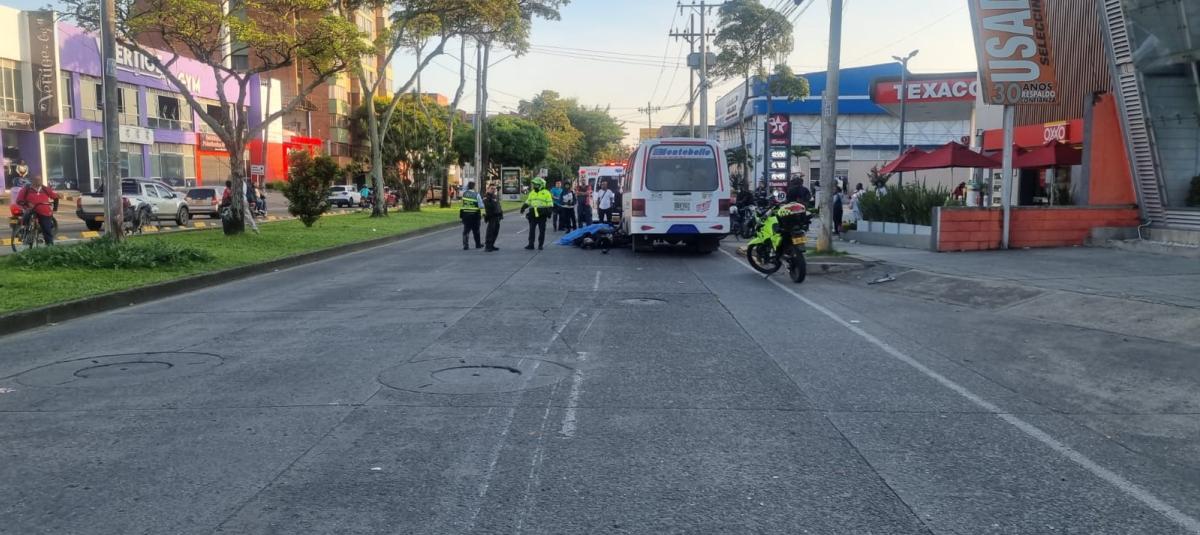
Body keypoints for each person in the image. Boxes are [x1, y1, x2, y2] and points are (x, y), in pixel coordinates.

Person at [15, 176, 58, 245]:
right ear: (32, 181)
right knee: (26, 218)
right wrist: (27, 203)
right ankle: (23, 232)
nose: (38, 181)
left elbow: (55, 197)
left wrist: (55, 209)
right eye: (36, 180)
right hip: (31, 210)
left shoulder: (45, 189)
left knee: (47, 230)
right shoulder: (26, 189)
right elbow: (19, 200)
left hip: (44, 212)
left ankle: (50, 246)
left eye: (40, 180)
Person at [522, 177, 554, 250]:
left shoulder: (546, 193)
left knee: (542, 230)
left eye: (536, 184)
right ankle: (531, 244)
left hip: (542, 214)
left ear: (541, 185)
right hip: (533, 214)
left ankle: (540, 245)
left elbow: (550, 203)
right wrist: (523, 207)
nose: (535, 186)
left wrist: (549, 212)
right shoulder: (532, 192)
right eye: (534, 185)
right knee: (531, 230)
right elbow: (528, 201)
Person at [459, 181, 483, 250]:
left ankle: (465, 245)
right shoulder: (476, 195)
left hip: (465, 215)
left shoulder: (464, 194)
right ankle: (478, 245)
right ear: (474, 187)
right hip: (475, 215)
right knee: (476, 231)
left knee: (466, 231)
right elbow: (481, 206)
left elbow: (463, 203)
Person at [483, 184, 503, 252]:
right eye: (492, 188)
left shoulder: (494, 196)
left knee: (495, 231)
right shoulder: (486, 197)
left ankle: (492, 245)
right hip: (491, 216)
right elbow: (488, 207)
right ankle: (488, 246)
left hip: (497, 216)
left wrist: (501, 214)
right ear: (488, 189)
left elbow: (498, 206)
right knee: (490, 232)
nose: (493, 190)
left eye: (494, 189)